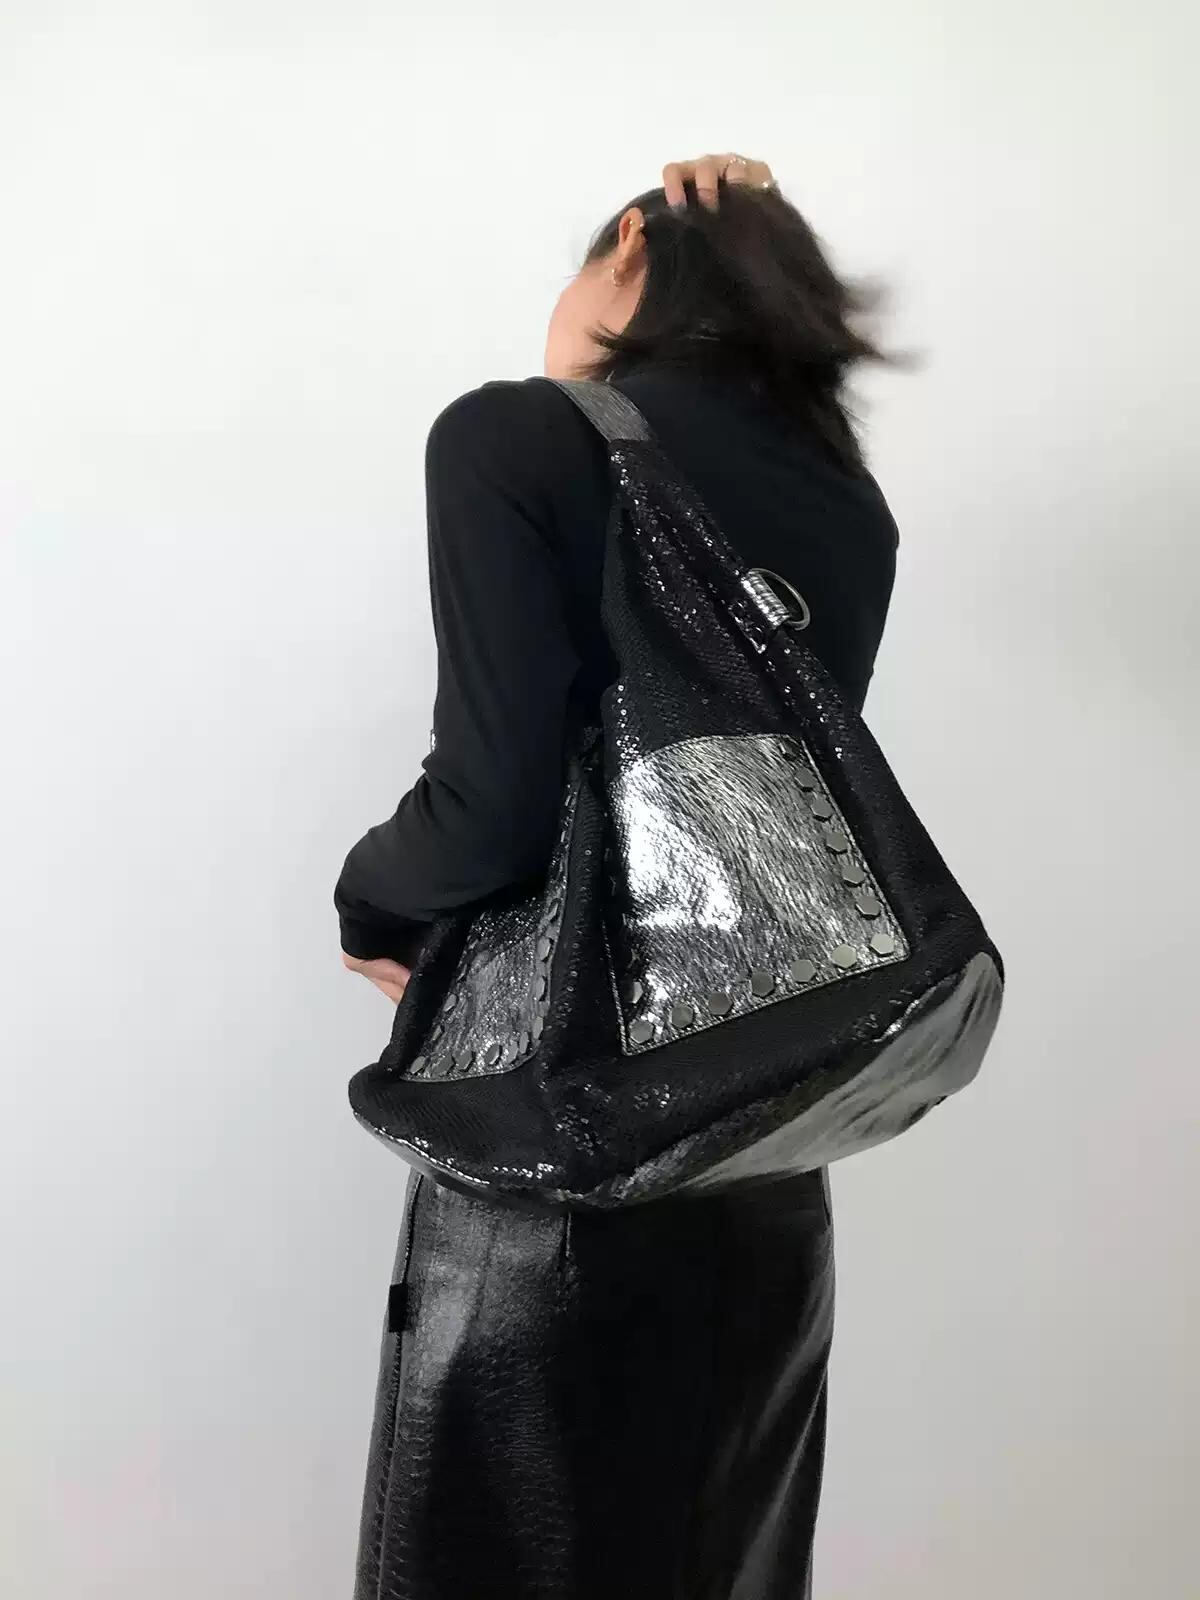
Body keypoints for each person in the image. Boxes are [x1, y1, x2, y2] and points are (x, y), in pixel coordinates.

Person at [335, 153, 899, 1600]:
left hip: (562, 1156)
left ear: (632, 244)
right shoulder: (848, 508)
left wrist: (370, 896)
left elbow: (492, 809)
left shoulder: (518, 439)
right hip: (765, 1163)